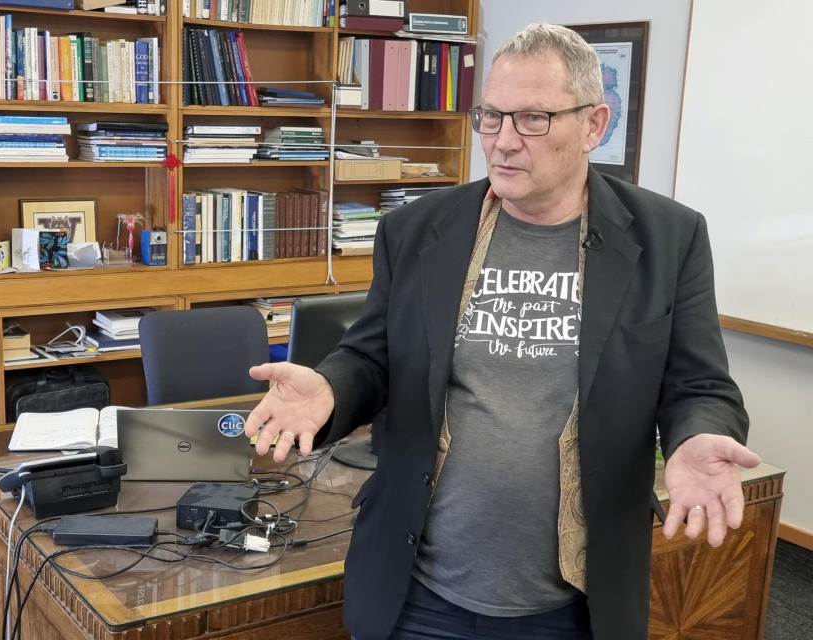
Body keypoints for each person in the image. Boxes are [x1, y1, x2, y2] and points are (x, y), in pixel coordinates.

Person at [243, 23, 761, 640]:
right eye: (490, 117)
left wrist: (698, 435)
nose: (504, 142)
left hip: (574, 599)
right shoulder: (417, 230)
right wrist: (330, 387)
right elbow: (374, 355)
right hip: (418, 590)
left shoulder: (667, 239)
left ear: (595, 125)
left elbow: (699, 384)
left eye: (533, 119)